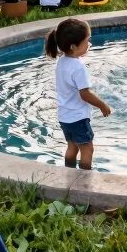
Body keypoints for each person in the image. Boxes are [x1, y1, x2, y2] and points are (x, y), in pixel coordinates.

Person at [45, 18, 111, 170]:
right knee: (87, 150)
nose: (89, 44)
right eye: (87, 40)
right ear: (73, 46)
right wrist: (102, 105)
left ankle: (69, 172)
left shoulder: (62, 61)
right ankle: (84, 179)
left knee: (72, 147)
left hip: (65, 116)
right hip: (78, 118)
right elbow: (85, 94)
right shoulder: (79, 67)